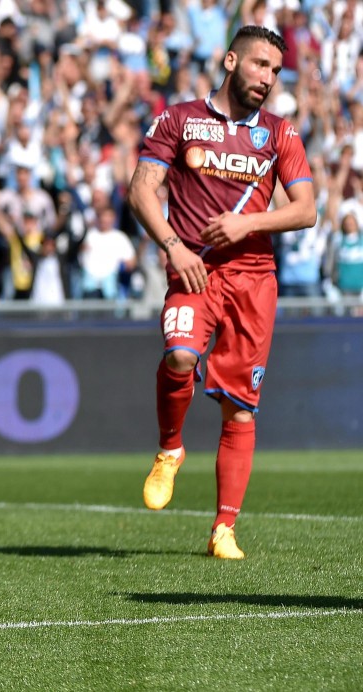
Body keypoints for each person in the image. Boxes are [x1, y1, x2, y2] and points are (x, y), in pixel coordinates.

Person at [127, 26, 316, 559]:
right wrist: (172, 245)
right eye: (259, 64)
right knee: (180, 357)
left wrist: (248, 222)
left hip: (254, 280)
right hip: (195, 271)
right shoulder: (179, 120)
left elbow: (306, 209)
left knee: (239, 409)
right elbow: (141, 190)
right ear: (231, 61)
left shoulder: (280, 133)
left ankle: (223, 529)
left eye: (275, 70)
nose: (267, 78)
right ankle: (170, 449)